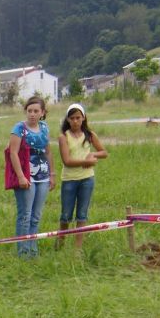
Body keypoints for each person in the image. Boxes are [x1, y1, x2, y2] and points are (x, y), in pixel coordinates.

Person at [8, 95, 56, 258]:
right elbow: (13, 153)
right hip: (27, 177)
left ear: (42, 113)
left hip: (42, 176)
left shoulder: (44, 128)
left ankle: (33, 249)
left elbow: (48, 151)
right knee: (25, 215)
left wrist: (52, 174)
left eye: (36, 111)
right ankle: (22, 251)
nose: (32, 114)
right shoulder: (19, 128)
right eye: (29, 111)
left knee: (36, 216)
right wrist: (21, 176)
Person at [56, 103, 108, 249]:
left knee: (82, 215)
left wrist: (93, 154)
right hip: (69, 180)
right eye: (72, 118)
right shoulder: (63, 137)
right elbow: (67, 161)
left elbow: (104, 152)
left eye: (78, 118)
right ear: (67, 119)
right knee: (66, 214)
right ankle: (60, 242)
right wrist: (85, 161)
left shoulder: (90, 135)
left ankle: (77, 248)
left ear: (84, 118)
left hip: (87, 179)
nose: (75, 121)